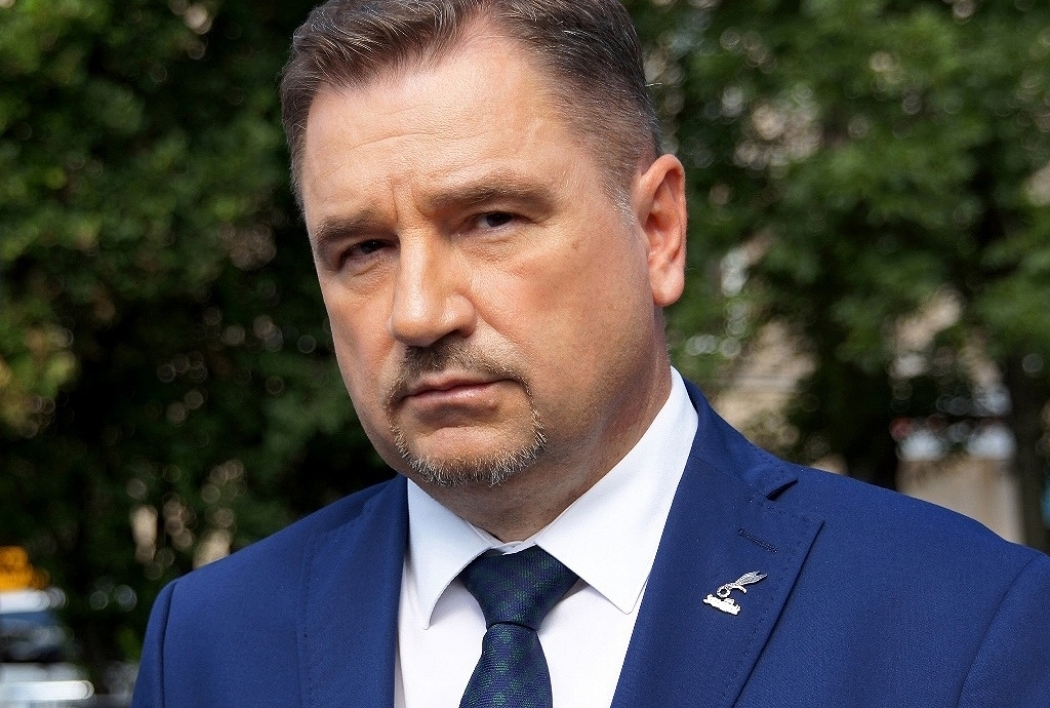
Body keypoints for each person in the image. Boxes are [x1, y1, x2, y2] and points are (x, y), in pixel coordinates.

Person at [131, 1, 1050, 706]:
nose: (418, 313)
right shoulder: (213, 645)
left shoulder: (960, 623)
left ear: (658, 231)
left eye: (491, 220)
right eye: (363, 249)